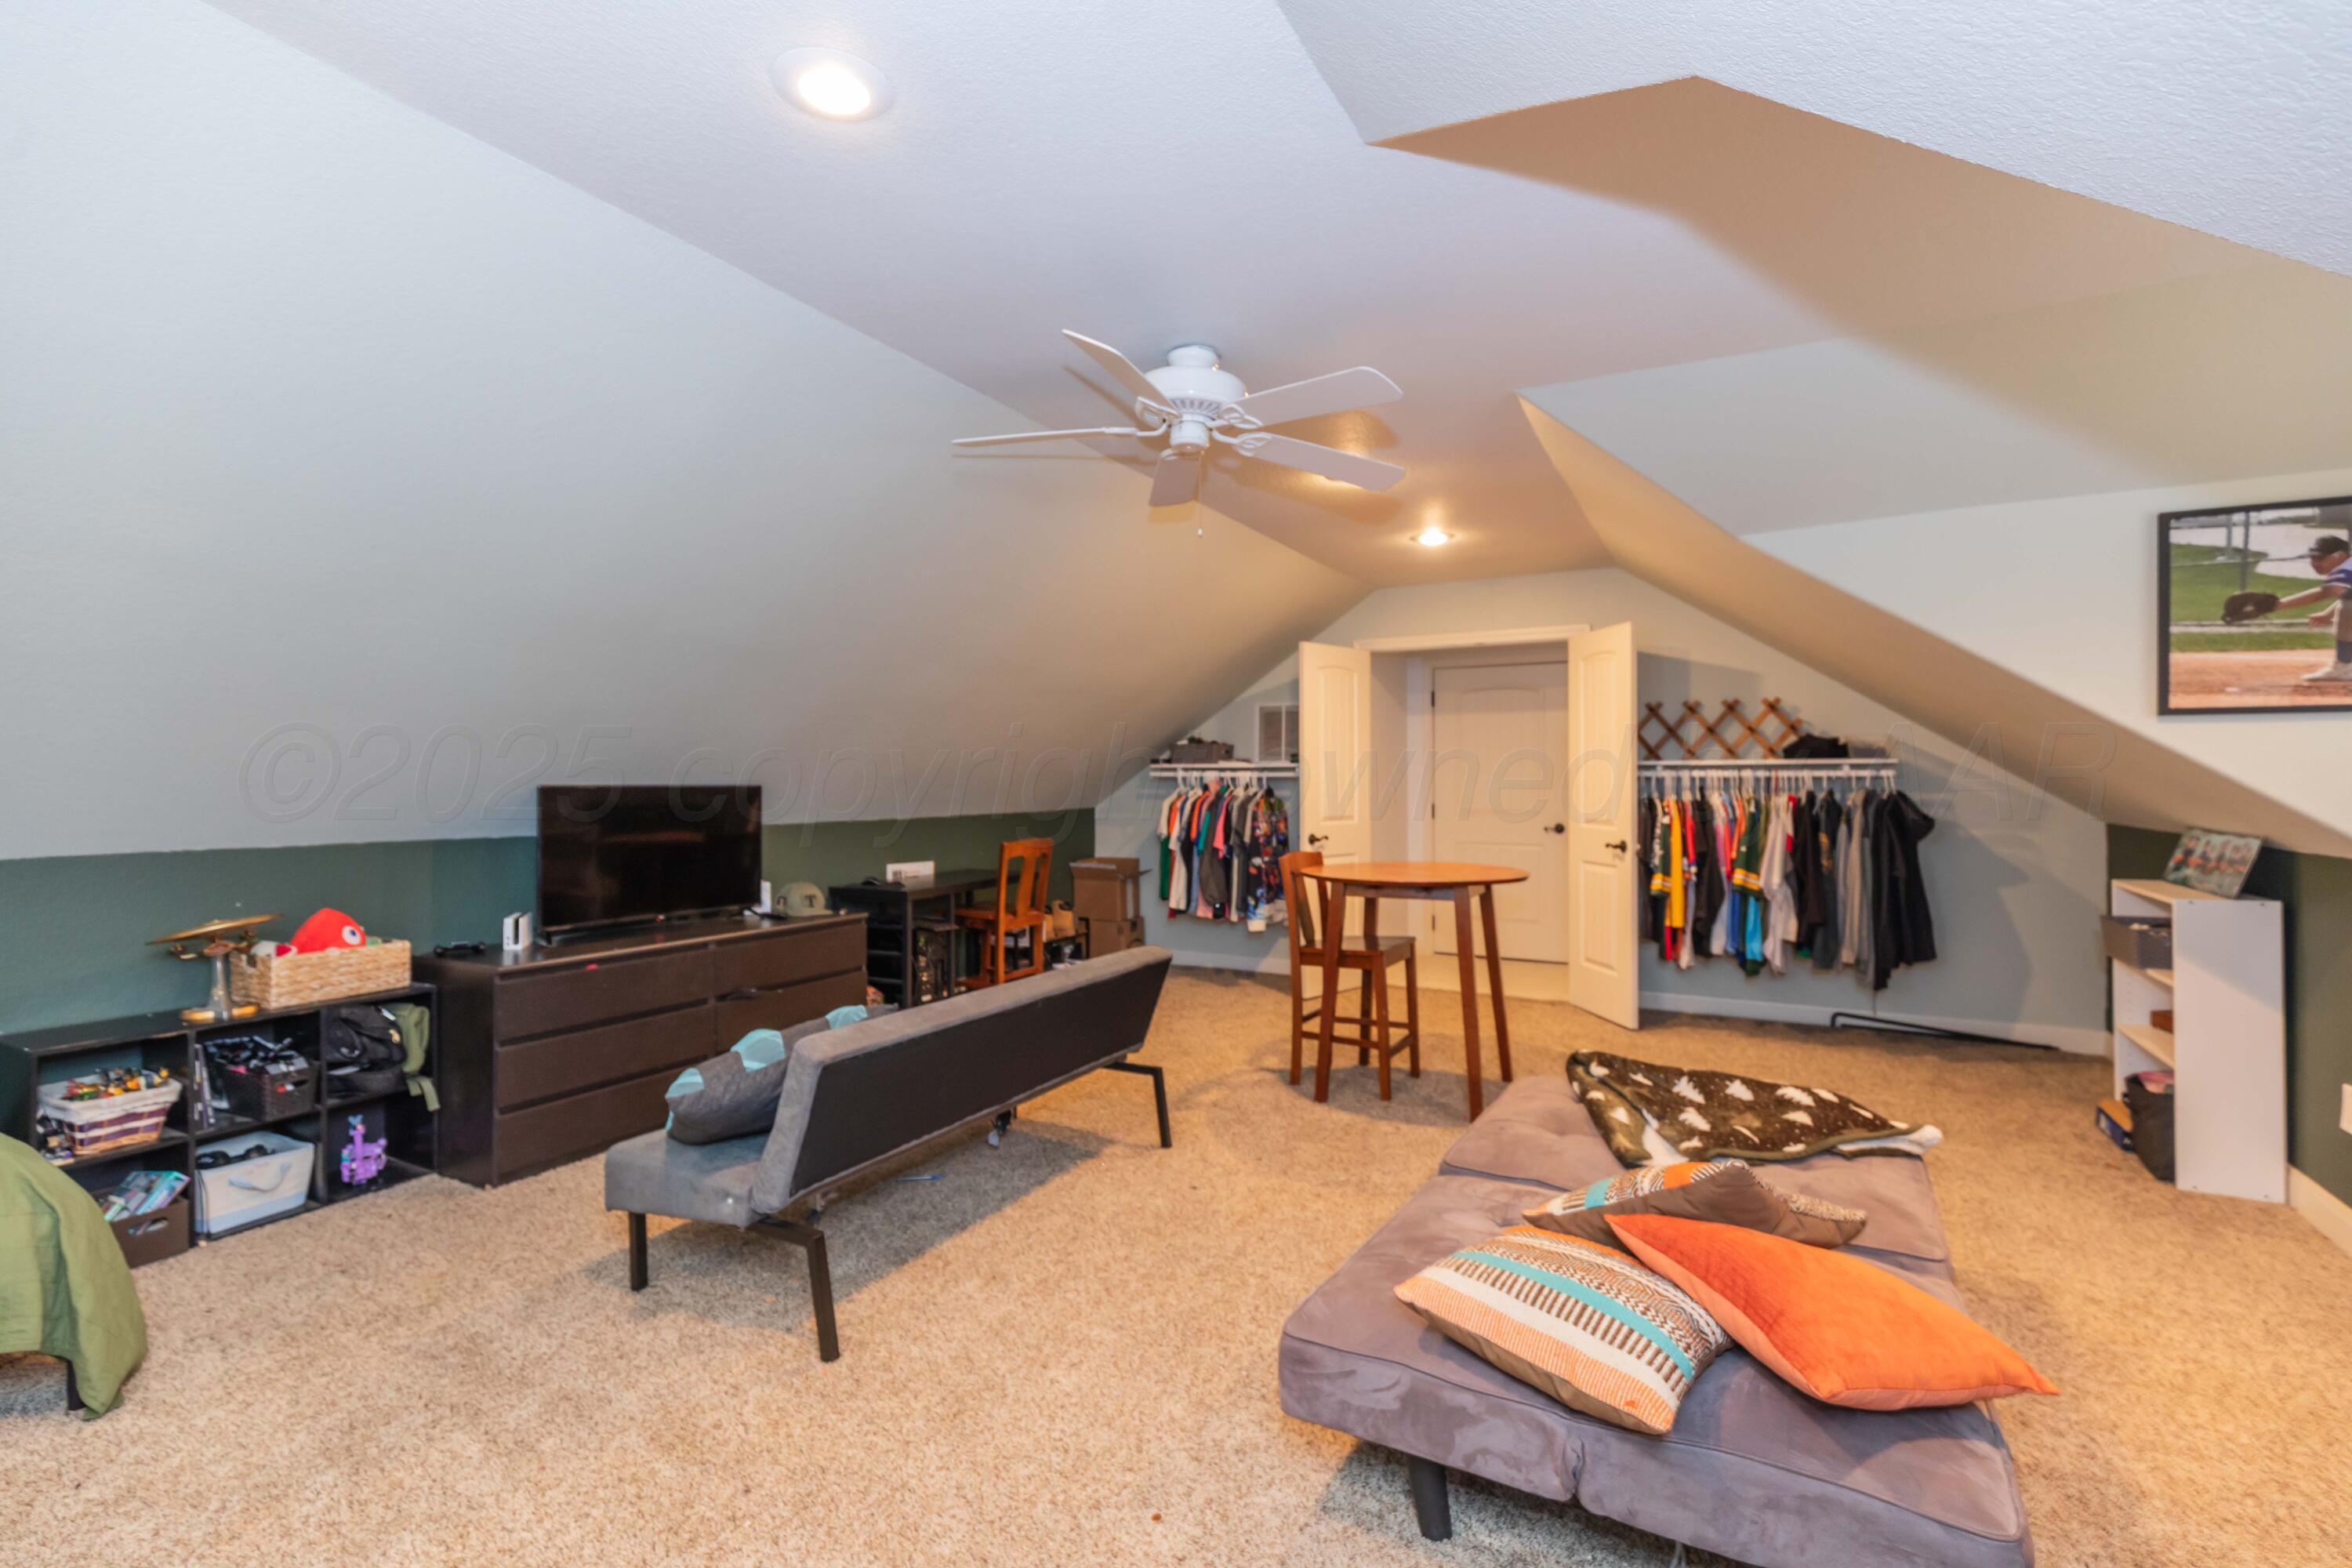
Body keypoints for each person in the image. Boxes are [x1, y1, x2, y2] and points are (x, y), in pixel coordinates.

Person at [2267, 534, 2352, 684]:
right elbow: (2347, 595)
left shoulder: (2345, 570)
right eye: (2312, 558)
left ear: (2340, 556)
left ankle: (2344, 667)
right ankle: (2344, 665)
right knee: (2346, 607)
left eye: (2320, 558)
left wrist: (2277, 605)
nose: (2315, 563)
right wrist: (2328, 614)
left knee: (2347, 608)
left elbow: (2322, 594)